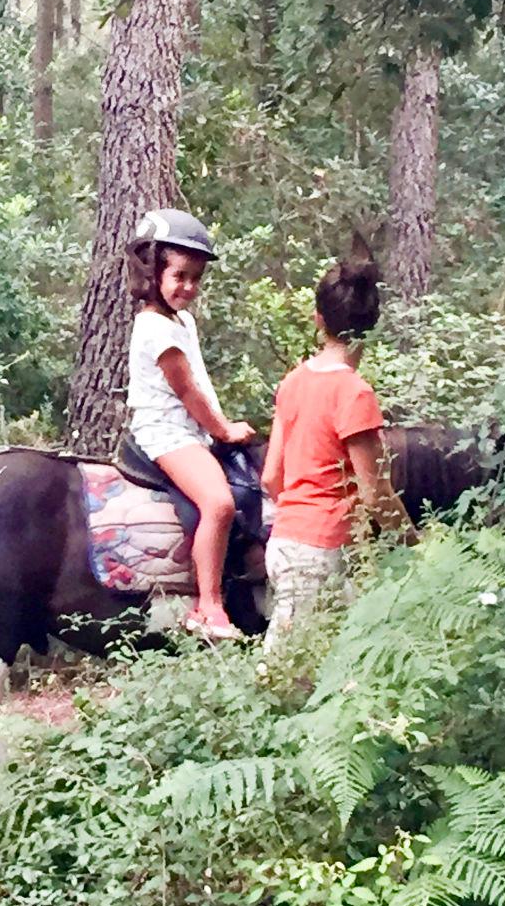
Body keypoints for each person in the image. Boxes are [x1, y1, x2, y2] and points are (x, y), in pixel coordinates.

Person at [260, 242, 415, 648]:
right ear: (371, 326)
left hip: (283, 543)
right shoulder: (354, 393)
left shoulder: (293, 382)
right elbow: (375, 491)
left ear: (318, 319)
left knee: (334, 661)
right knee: (283, 674)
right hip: (324, 548)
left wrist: (296, 519)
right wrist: (414, 548)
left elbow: (271, 475)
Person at [125, 208, 256, 641]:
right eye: (179, 275)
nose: (188, 287)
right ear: (153, 271)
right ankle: (209, 606)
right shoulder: (153, 328)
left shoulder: (182, 321)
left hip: (189, 431)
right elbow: (187, 392)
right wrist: (223, 430)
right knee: (219, 504)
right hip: (167, 434)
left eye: (196, 278)